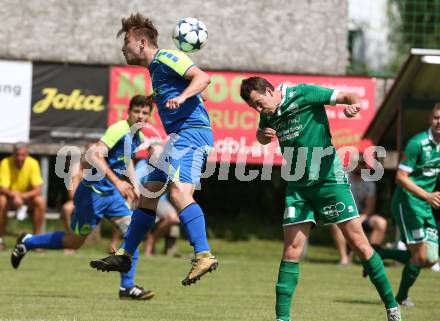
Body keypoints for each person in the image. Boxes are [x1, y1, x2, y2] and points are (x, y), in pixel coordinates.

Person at [239, 76, 401, 321]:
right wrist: (262, 133)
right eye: (254, 108)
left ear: (270, 90)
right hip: (298, 186)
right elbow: (262, 136)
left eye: (259, 103)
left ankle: (392, 307)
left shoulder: (304, 93)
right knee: (291, 251)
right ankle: (281, 319)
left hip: (329, 180)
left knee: (359, 244)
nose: (259, 110)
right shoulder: (268, 113)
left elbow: (347, 97)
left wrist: (353, 106)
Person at [90, 13, 217, 286]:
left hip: (191, 135)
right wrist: (173, 94)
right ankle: (125, 254)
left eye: (127, 41)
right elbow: (202, 93)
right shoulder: (157, 70)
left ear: (142, 42)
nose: (123, 47)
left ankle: (204, 254)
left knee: (179, 192)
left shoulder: (167, 57)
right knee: (148, 195)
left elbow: (203, 79)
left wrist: (182, 96)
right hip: (178, 138)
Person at [10, 95, 154, 300]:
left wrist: (135, 185)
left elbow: (127, 160)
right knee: (73, 242)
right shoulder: (118, 129)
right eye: (136, 111)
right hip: (91, 195)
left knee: (133, 232)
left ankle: (127, 287)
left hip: (110, 195)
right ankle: (29, 241)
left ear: (150, 116)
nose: (140, 115)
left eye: (145, 112)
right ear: (128, 112)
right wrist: (118, 182)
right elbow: (94, 155)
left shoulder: (136, 136)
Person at [373, 103, 440, 307]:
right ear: (430, 118)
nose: (439, 122)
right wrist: (427, 196)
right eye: (437, 117)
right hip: (407, 203)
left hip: (425, 205)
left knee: (430, 258)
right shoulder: (417, 143)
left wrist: (428, 199)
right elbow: (400, 178)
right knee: (419, 255)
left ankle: (380, 253)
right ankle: (400, 298)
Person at [330, 153, 388, 266]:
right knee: (334, 222)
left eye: (363, 163)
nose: (361, 166)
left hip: (362, 217)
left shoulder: (370, 184)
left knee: (381, 223)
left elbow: (369, 208)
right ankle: (344, 259)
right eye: (358, 163)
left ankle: (370, 259)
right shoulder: (342, 178)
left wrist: (360, 219)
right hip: (344, 214)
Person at [0, 143, 46, 251]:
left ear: (27, 154)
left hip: (26, 198)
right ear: (13, 154)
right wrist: (15, 196)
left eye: (23, 155)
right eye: (17, 155)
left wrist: (20, 196)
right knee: (1, 200)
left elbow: (38, 189)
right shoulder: (5, 163)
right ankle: (0, 240)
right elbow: (2, 188)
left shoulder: (33, 163)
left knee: (40, 201)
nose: (20, 158)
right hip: (9, 198)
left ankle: (36, 241)